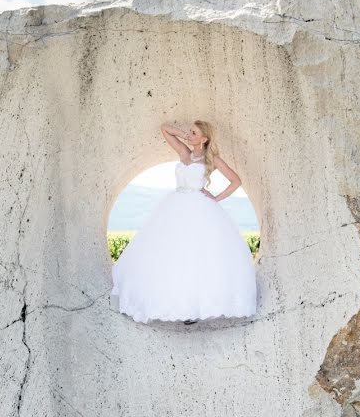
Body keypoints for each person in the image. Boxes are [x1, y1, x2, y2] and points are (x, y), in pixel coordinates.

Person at [110, 120, 258, 325]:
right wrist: (185, 135)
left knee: (196, 256)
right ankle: (173, 301)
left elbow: (236, 181)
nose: (189, 134)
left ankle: (194, 307)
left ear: (204, 139)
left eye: (194, 132)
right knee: (172, 254)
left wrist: (216, 198)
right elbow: (165, 129)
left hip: (200, 208)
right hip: (175, 206)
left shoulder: (211, 159)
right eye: (190, 131)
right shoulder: (185, 154)